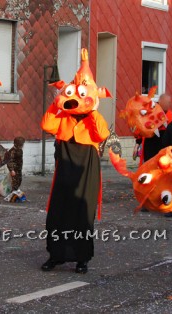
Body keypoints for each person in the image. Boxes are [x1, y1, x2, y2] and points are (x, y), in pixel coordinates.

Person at [40, 48, 110, 275]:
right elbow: (46, 126)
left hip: (86, 166)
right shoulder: (63, 116)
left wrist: (92, 109)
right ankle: (56, 255)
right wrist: (57, 103)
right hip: (65, 162)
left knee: (82, 213)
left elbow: (101, 134)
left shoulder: (93, 117)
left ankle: (82, 258)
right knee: (58, 212)